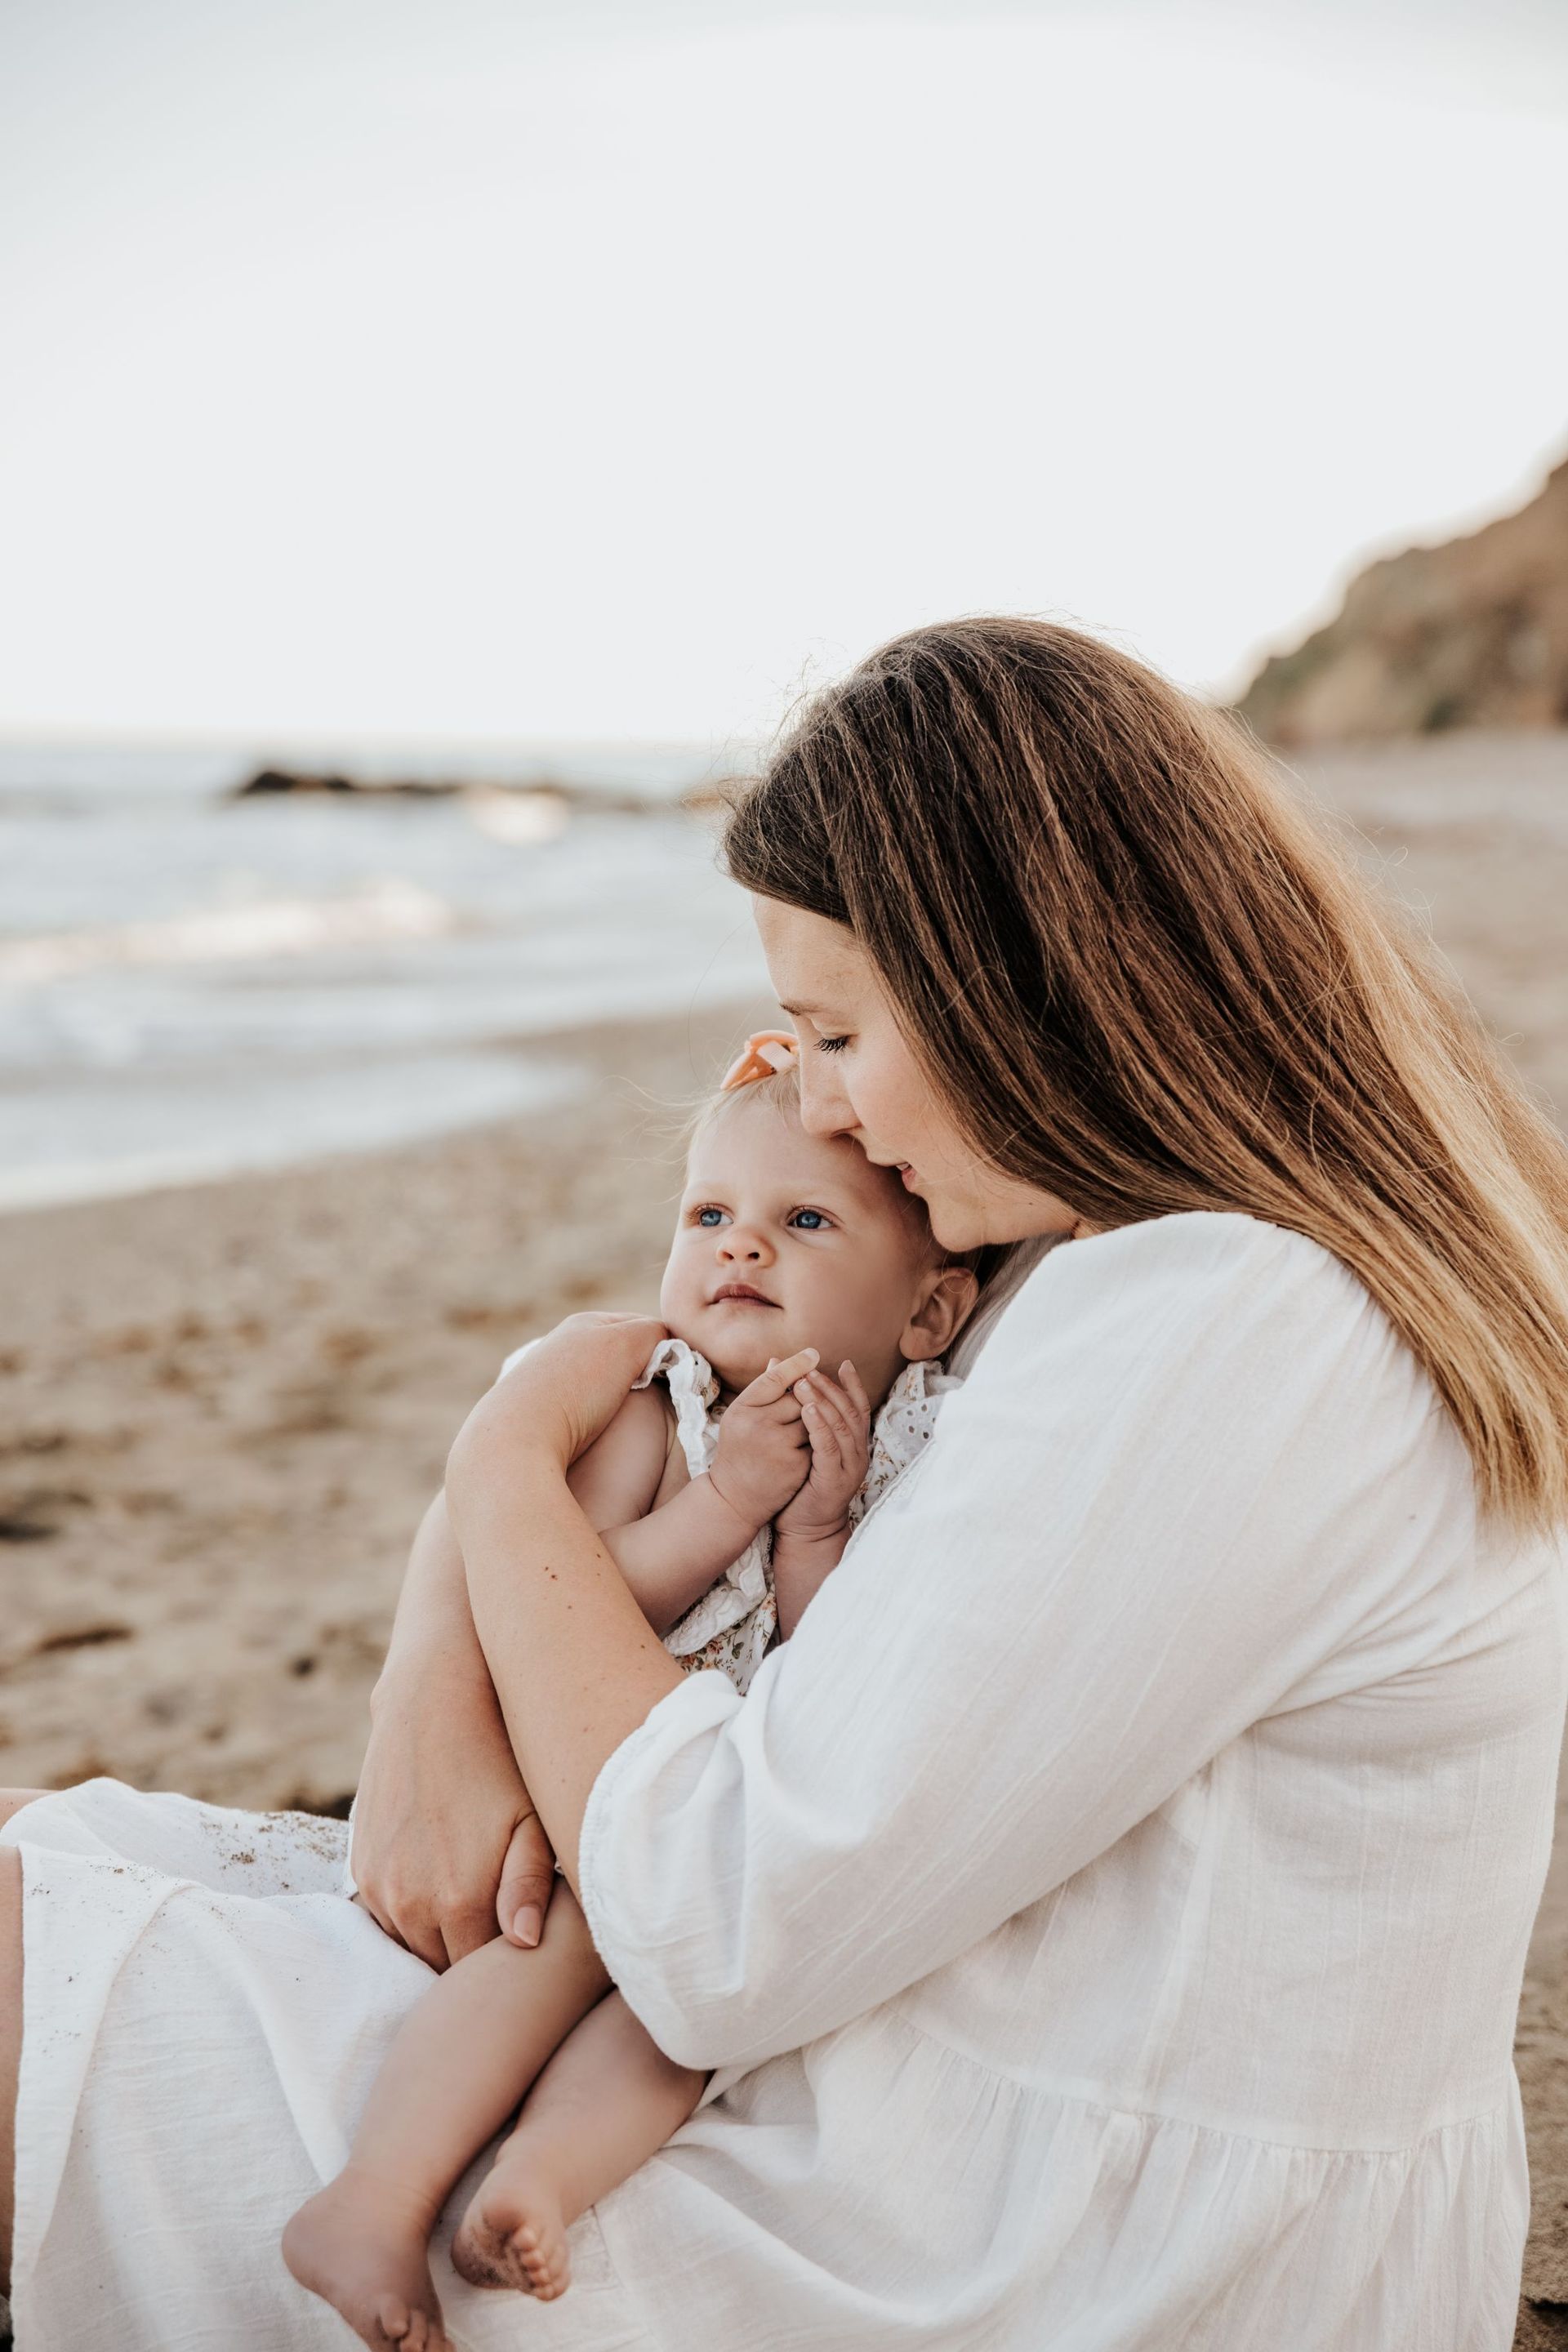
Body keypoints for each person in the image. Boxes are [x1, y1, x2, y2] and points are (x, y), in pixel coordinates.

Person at [3, 616, 1568, 2352]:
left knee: (45, 1981)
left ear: (1016, 983)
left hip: (994, 2243)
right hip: (960, 2095)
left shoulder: (1230, 1319)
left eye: (835, 1032)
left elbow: (725, 1914)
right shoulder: (1149, 1273)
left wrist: (502, 1464)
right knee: (79, 1875)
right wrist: (426, 1681)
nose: (813, 1100)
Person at [283, 1041, 979, 2347]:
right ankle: (370, 2200)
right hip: (584, 1792)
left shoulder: (905, 1442)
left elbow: (830, 1666)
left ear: (926, 1314)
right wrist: (731, 1504)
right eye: (709, 1215)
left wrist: (820, 1525)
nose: (740, 1251)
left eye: (803, 1223)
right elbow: (568, 1599)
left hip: (727, 1829)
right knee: (550, 1959)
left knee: (679, 2032)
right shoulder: (662, 1408)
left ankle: (536, 2185)